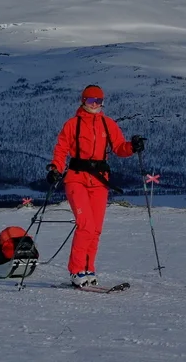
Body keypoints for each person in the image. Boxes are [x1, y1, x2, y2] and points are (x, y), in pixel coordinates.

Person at [44, 84, 145, 287]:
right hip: (76, 178)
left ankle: (89, 268)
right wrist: (55, 168)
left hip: (99, 181)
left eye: (99, 101)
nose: (95, 104)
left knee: (96, 228)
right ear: (83, 101)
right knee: (86, 225)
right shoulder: (72, 124)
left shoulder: (107, 124)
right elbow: (61, 148)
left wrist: (132, 147)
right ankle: (76, 270)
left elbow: (118, 147)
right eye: (91, 101)